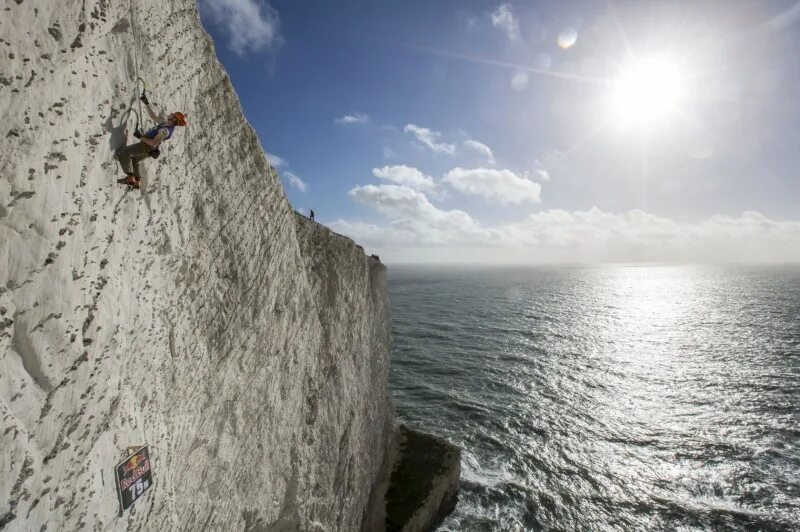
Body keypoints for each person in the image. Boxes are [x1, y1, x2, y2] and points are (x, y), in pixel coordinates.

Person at [117, 94, 187, 189]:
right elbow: (152, 116)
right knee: (135, 160)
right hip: (149, 149)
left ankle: (130, 177)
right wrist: (146, 103)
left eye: (173, 114)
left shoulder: (165, 131)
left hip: (146, 147)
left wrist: (140, 137)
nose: (171, 113)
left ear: (174, 119)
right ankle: (137, 182)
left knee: (124, 153)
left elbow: (153, 142)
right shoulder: (165, 123)